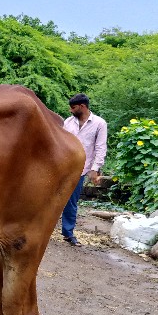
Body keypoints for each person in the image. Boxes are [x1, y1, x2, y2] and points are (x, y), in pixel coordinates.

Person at [61, 93, 107, 247]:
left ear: (82, 106)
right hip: (62, 166)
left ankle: (68, 233)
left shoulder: (99, 124)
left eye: (73, 107)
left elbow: (100, 148)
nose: (70, 110)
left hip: (80, 169)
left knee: (71, 202)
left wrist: (95, 169)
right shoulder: (68, 122)